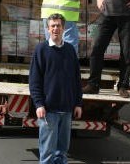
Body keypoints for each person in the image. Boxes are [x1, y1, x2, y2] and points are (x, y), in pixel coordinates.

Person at [29, 13, 82, 164]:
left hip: (66, 110)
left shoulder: (70, 50)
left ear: (64, 28)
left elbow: (76, 79)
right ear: (48, 29)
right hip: (48, 110)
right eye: (52, 26)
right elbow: (34, 81)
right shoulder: (41, 50)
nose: (55, 29)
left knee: (62, 153)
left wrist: (78, 103)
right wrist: (39, 104)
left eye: (58, 25)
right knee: (47, 153)